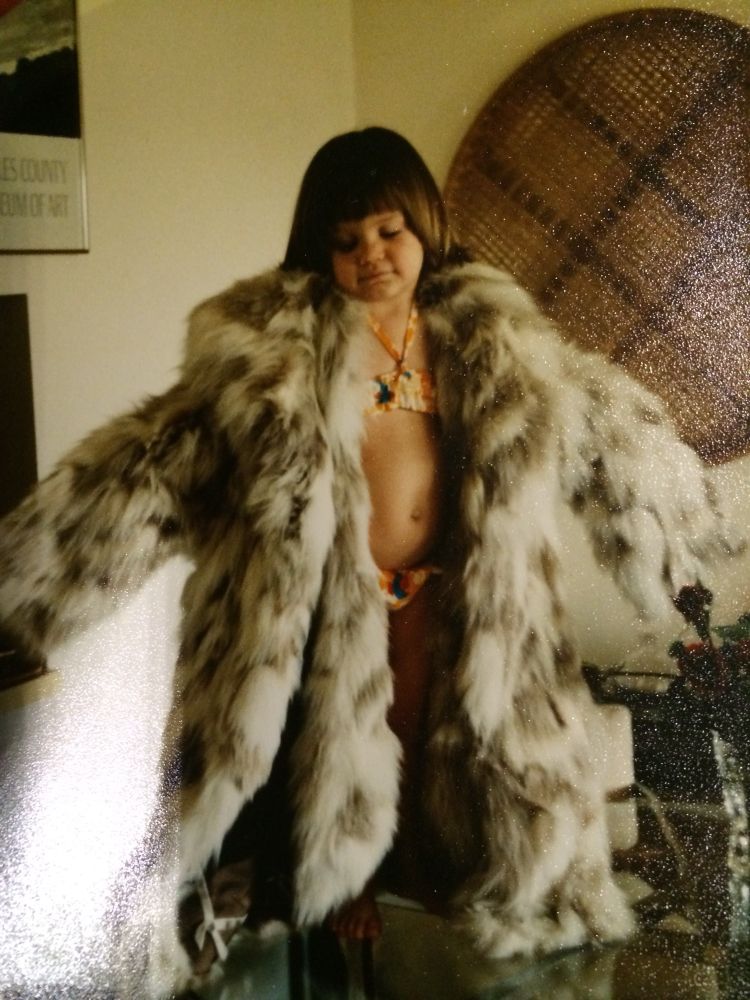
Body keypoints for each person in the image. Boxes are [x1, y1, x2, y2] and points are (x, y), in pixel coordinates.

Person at [0, 127, 740, 995]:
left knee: (471, 752)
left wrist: (673, 524)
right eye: (346, 241)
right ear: (320, 249)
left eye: (390, 231)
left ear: (424, 224)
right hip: (332, 602)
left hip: (459, 597)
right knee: (338, 752)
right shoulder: (279, 354)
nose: (372, 256)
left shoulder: (489, 338)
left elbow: (595, 421)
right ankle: (351, 885)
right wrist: (37, 571)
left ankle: (442, 886)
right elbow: (160, 458)